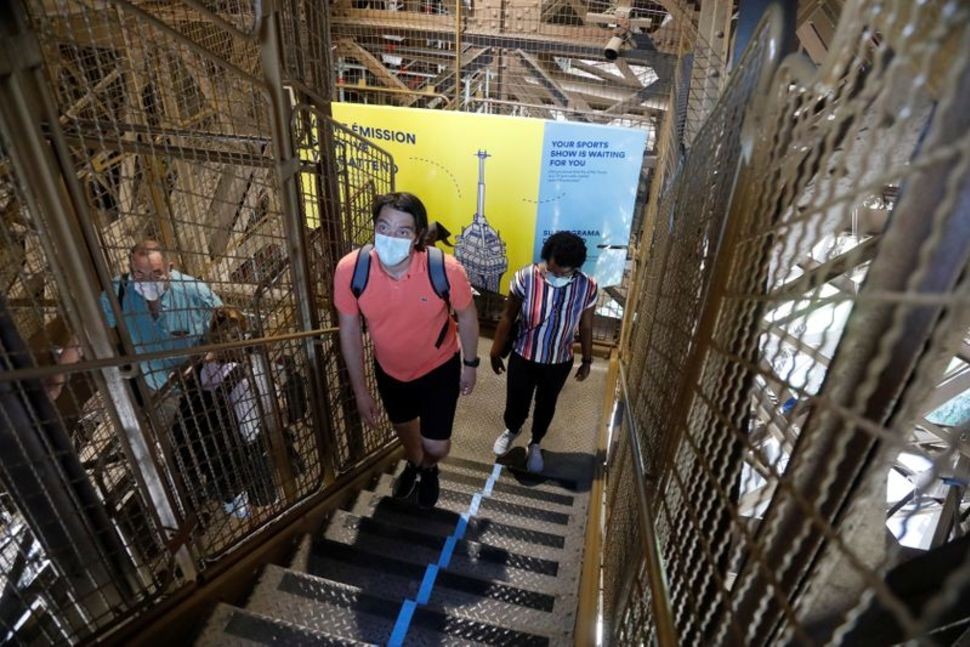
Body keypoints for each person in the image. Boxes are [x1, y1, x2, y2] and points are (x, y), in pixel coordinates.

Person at [334, 192, 479, 509]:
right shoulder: (351, 270)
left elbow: (467, 315)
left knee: (436, 445)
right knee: (404, 430)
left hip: (439, 368)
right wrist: (360, 391)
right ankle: (418, 467)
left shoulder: (446, 270)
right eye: (383, 227)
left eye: (402, 231)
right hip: (389, 371)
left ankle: (429, 465)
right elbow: (349, 331)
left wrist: (470, 363)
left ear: (418, 237)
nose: (390, 238)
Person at [47, 240, 222, 401]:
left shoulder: (194, 292)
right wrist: (58, 377)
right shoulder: (120, 291)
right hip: (150, 382)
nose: (148, 282)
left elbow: (226, 328)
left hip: (192, 382)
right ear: (130, 270)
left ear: (170, 268)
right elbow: (87, 334)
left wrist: (202, 359)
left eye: (156, 273)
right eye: (139, 273)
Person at [489, 231, 598, 473]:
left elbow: (586, 325)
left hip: (559, 360)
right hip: (523, 355)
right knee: (517, 399)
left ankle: (536, 442)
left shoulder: (588, 287)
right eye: (552, 270)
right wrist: (496, 350)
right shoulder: (526, 277)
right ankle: (512, 429)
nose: (556, 276)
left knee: (546, 404)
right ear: (546, 259)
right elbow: (509, 315)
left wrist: (587, 359)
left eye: (564, 273)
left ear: (576, 268)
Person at [169, 306, 276, 519]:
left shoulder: (199, 370)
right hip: (242, 456)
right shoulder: (243, 376)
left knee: (237, 507)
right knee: (263, 499)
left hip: (212, 453)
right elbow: (251, 429)